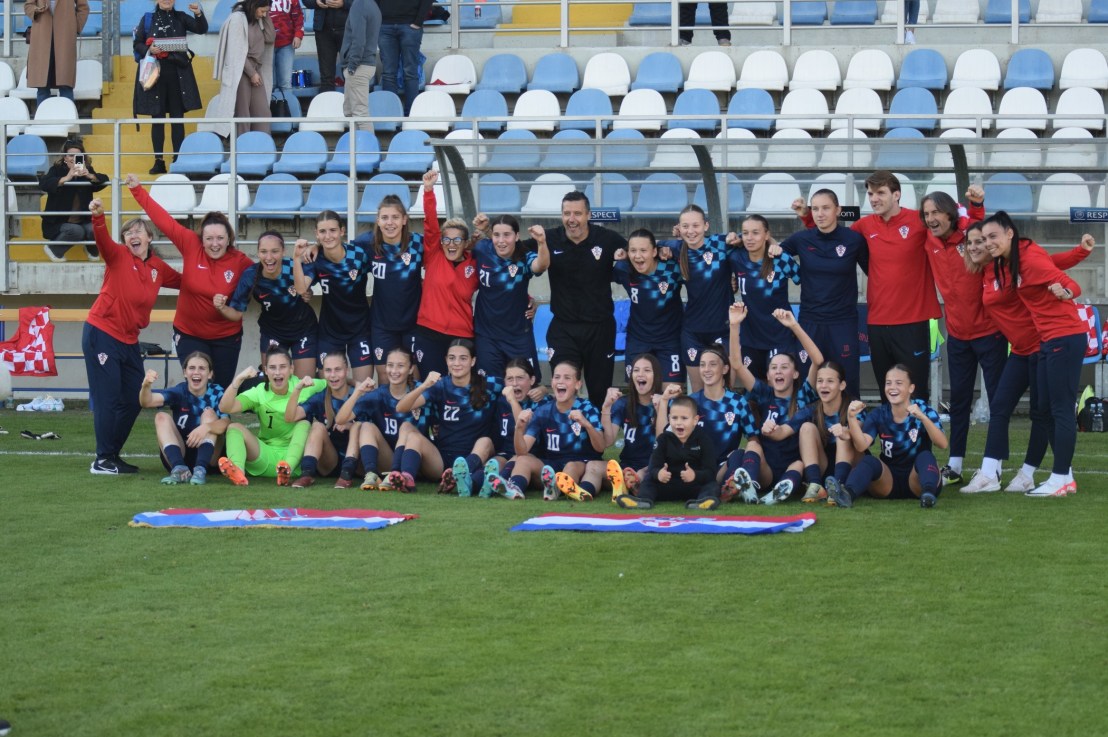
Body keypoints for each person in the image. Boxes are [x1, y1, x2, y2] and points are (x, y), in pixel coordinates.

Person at [960, 224, 1093, 494]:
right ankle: (990, 474)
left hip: (1042, 343)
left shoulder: (1014, 265)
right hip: (1020, 349)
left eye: (983, 241)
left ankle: (1038, 473)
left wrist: (1080, 253)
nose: (977, 246)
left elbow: (1050, 263)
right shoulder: (987, 273)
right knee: (1000, 406)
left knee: (1043, 412)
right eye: (972, 242)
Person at [795, 171, 937, 400]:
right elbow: (832, 238)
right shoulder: (863, 226)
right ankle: (890, 437)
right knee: (887, 392)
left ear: (897, 194)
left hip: (913, 321)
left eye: (880, 193)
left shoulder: (919, 221)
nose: (873, 198)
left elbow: (951, 229)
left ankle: (919, 437)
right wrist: (809, 219)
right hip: (877, 322)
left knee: (916, 391)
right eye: (870, 193)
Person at [127, 173, 253, 390]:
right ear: (201, 239)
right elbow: (163, 220)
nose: (215, 244)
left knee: (219, 393)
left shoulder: (241, 262)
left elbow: (268, 272)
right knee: (197, 388)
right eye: (209, 238)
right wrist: (137, 190)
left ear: (229, 239)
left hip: (227, 337)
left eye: (220, 239)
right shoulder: (190, 244)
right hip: (189, 334)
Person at [84, 197, 182, 475]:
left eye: (139, 231)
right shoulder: (118, 256)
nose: (133, 235)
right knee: (108, 397)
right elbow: (102, 240)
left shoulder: (157, 268)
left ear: (150, 237)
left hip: (129, 340)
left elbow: (187, 283)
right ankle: (103, 459)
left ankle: (111, 454)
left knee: (134, 397)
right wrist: (98, 216)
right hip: (101, 332)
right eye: (128, 232)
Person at [919, 187, 999, 486]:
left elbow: (980, 225)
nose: (931, 219)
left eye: (936, 213)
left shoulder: (970, 234)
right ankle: (954, 464)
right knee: (960, 400)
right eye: (926, 214)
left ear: (950, 213)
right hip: (958, 335)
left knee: (998, 402)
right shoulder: (927, 238)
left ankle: (994, 467)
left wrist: (977, 204)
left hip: (990, 332)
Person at [521, 191, 627, 405]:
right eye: (566, 213)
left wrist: (631, 254)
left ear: (588, 215)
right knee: (564, 389)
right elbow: (512, 252)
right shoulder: (550, 238)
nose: (572, 219)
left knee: (599, 394)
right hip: (564, 328)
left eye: (577, 213)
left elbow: (640, 253)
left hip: (600, 328)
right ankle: (566, 435)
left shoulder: (607, 239)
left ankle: (597, 436)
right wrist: (525, 297)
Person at [727, 304, 824, 505]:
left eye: (784, 367)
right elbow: (736, 364)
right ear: (769, 377)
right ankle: (751, 488)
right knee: (752, 444)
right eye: (774, 368)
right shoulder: (764, 393)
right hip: (767, 469)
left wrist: (794, 325)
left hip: (795, 463)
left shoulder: (804, 395)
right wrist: (735, 326)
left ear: (796, 373)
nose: (778, 371)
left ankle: (779, 492)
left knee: (797, 464)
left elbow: (818, 360)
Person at [781, 189, 868, 398]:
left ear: (837, 210)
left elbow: (874, 271)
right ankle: (808, 428)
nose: (820, 213)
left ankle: (849, 428)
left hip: (843, 322)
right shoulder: (801, 239)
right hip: (810, 321)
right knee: (808, 382)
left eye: (826, 208)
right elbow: (768, 253)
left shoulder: (853, 240)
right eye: (816, 208)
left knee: (846, 381)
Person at [828, 365, 947, 508]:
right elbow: (861, 445)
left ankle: (928, 495)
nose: (892, 387)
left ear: (911, 388)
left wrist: (923, 418)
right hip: (887, 480)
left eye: (899, 383)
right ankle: (847, 494)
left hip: (916, 479)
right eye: (888, 383)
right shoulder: (879, 413)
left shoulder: (925, 410)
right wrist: (851, 418)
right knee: (870, 461)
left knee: (926, 456)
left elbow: (942, 444)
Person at [393, 339, 502, 496]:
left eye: (463, 358)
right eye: (452, 358)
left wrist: (539, 389)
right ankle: (406, 479)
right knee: (413, 436)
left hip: (474, 457)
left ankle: (460, 475)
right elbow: (401, 407)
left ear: (473, 361)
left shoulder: (490, 384)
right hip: (440, 460)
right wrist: (424, 385)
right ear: (446, 360)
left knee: (485, 442)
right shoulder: (440, 385)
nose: (456, 363)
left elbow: (518, 386)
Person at [217, 230, 318, 380]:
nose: (269, 257)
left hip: (304, 330)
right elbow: (237, 314)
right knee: (273, 383)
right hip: (273, 332)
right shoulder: (251, 275)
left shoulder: (297, 266)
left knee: (305, 386)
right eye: (263, 251)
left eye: (275, 251)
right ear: (258, 252)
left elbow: (304, 287)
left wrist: (308, 290)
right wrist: (222, 307)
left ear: (283, 251)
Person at [217, 348, 323, 485]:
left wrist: (353, 383)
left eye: (282, 367)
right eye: (272, 367)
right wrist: (238, 380)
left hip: (296, 462)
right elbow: (225, 407)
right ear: (266, 370)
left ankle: (286, 469)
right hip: (264, 457)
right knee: (234, 427)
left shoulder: (304, 385)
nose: (277, 372)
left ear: (291, 369)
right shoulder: (259, 392)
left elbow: (334, 384)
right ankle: (238, 472)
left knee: (304, 424)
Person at [293, 210, 374, 382]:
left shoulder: (359, 254)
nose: (328, 236)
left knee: (363, 388)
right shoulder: (315, 259)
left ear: (342, 231)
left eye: (333, 230)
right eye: (322, 231)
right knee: (328, 390)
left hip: (360, 330)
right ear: (316, 234)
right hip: (330, 333)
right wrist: (296, 259)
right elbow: (301, 289)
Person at [663, 204, 736, 393]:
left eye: (695, 226)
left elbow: (752, 239)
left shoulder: (721, 244)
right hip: (692, 332)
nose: (691, 231)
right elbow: (649, 246)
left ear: (706, 226)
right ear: (678, 228)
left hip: (723, 329)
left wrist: (736, 237)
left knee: (724, 388)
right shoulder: (676, 248)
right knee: (697, 389)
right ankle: (698, 423)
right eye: (685, 226)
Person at [411, 170, 477, 379]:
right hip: (429, 333)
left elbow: (495, 282)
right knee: (430, 387)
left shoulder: (474, 263)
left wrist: (528, 300)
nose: (451, 244)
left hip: (461, 336)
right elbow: (430, 225)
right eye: (446, 240)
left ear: (466, 244)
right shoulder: (434, 256)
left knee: (460, 389)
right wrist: (428, 191)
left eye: (457, 240)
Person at [353, 194, 424, 385]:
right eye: (384, 218)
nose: (389, 223)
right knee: (385, 375)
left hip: (414, 323)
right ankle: (387, 414)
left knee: (413, 374)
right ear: (378, 220)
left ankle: (412, 414)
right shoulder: (367, 244)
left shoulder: (417, 243)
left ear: (404, 220)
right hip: (382, 324)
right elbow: (338, 252)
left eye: (395, 217)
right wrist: (316, 248)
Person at [512, 360, 606, 502]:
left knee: (571, 465)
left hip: (580, 462)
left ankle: (559, 489)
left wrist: (587, 424)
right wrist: (519, 428)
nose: (560, 381)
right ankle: (514, 488)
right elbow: (522, 451)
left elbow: (600, 448)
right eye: (557, 377)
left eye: (567, 378)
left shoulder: (586, 407)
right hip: (551, 465)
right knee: (523, 459)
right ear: (552, 382)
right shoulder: (543, 410)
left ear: (577, 384)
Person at [132, 0, 207, 174]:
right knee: (157, 119)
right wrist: (150, 49)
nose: (167, 0)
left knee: (177, 118)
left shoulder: (181, 17)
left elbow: (201, 28)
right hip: (154, 75)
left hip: (178, 76)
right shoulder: (148, 18)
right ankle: (158, 160)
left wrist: (198, 13)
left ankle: (177, 158)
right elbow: (138, 44)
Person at [470, 215, 549, 379]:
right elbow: (463, 251)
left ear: (517, 236)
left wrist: (541, 242)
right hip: (487, 335)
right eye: (496, 235)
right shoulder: (482, 249)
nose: (501, 240)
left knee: (527, 386)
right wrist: (481, 230)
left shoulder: (525, 257)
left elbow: (541, 265)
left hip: (518, 336)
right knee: (489, 387)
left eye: (507, 235)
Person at [335, 346, 423, 490]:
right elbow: (340, 419)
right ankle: (371, 474)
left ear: (411, 369)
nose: (394, 371)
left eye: (400, 366)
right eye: (390, 365)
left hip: (420, 460)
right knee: (366, 426)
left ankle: (401, 473)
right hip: (390, 461)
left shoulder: (422, 391)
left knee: (407, 427)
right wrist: (358, 392)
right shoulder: (378, 395)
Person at [727, 214, 801, 380]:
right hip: (750, 337)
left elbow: (802, 279)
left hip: (779, 337)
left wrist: (776, 245)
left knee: (779, 389)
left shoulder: (781, 260)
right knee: (755, 392)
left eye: (755, 233)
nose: (749, 238)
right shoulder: (735, 258)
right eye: (745, 233)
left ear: (767, 234)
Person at [617, 395, 721, 510]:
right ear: (669, 418)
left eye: (684, 418)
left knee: (712, 485)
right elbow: (653, 467)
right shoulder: (663, 439)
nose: (678, 423)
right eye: (674, 418)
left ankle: (703, 503)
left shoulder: (703, 439)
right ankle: (643, 501)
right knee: (648, 482)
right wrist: (659, 474)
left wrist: (695, 475)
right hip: (667, 484)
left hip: (693, 486)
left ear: (695, 420)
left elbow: (711, 471)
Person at [138, 353, 228, 485]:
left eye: (202, 368)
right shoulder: (179, 391)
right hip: (181, 454)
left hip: (210, 459)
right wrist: (145, 385)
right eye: (192, 368)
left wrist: (206, 428)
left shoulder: (217, 392)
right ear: (185, 373)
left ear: (210, 374)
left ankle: (200, 469)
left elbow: (227, 423)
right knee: (161, 416)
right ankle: (179, 469)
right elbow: (147, 402)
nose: (196, 372)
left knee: (209, 414)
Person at [679, 346, 758, 495]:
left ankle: (731, 487)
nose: (706, 369)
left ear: (725, 369)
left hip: (724, 469)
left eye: (712, 364)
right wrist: (663, 402)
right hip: (696, 470)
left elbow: (753, 439)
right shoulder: (690, 402)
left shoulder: (737, 402)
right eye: (702, 365)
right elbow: (669, 436)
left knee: (739, 454)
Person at [612, 229, 685, 383]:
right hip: (638, 339)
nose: (637, 256)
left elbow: (692, 250)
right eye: (633, 250)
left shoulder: (673, 268)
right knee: (638, 392)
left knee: (671, 393)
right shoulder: (623, 268)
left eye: (643, 250)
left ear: (654, 252)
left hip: (670, 339)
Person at [284, 353, 360, 488]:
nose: (333, 375)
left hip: (358, 465)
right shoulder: (320, 397)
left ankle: (346, 474)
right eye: (328, 370)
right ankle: (307, 473)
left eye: (338, 369)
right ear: (323, 373)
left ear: (346, 370)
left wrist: (351, 425)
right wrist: (298, 389)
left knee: (358, 426)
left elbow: (373, 431)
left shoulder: (359, 394)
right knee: (317, 426)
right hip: (329, 463)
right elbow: (290, 417)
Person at [790, 361, 859, 503]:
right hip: (824, 466)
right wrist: (772, 429)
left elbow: (861, 436)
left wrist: (846, 431)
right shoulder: (812, 409)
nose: (824, 385)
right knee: (806, 427)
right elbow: (785, 429)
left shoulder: (854, 407)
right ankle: (815, 486)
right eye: (820, 381)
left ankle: (839, 487)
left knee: (843, 433)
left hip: (852, 467)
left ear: (842, 385)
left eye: (830, 381)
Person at [484, 357, 550, 499]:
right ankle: (474, 483)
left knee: (518, 458)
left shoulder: (541, 403)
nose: (514, 384)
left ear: (532, 380)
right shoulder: (500, 399)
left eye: (520, 378)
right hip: (505, 453)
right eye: (510, 379)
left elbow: (524, 429)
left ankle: (502, 484)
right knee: (494, 463)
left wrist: (513, 401)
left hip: (531, 456)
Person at [601, 353, 665, 499]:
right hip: (627, 466)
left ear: (656, 375)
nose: (640, 374)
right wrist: (606, 407)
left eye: (647, 370)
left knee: (654, 473)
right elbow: (608, 441)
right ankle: (628, 483)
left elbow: (663, 441)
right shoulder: (623, 403)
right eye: (636, 370)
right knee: (593, 467)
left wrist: (661, 408)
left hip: (655, 466)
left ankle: (633, 482)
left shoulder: (667, 403)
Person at [212, 0, 275, 138]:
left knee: (263, 112)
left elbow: (270, 37)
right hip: (240, 72)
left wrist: (266, 14)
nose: (264, 14)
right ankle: (242, 150)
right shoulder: (237, 19)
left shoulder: (258, 18)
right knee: (243, 114)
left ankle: (262, 147)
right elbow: (236, 52)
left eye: (266, 11)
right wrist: (252, 73)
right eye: (262, 11)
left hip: (256, 69)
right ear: (254, 6)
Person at [38, 139, 108, 262]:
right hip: (59, 222)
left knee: (94, 227)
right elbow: (44, 184)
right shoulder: (56, 169)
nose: (74, 158)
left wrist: (90, 176)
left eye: (78, 155)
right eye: (70, 155)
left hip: (83, 220)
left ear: (83, 157)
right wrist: (66, 178)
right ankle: (53, 248)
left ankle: (91, 249)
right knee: (77, 231)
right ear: (65, 157)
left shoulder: (87, 170)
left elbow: (104, 180)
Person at [23, 0, 87, 104]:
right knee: (42, 86)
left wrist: (75, 26)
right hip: (42, 40)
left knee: (65, 85)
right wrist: (37, 11)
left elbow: (83, 7)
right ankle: (42, 118)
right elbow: (28, 5)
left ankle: (68, 118)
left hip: (64, 39)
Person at [377, 0, 433, 115]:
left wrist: (418, 21)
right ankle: (391, 117)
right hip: (385, 25)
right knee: (388, 73)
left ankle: (412, 115)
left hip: (410, 25)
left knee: (410, 72)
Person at [339, 0, 380, 133]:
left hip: (358, 67)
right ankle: (358, 150)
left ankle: (368, 152)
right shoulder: (372, 4)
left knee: (359, 114)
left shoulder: (360, 4)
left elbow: (358, 39)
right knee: (351, 112)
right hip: (363, 65)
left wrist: (352, 66)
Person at [303, 0, 348, 94]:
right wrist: (316, 2)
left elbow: (362, 2)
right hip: (323, 30)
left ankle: (352, 107)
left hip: (348, 29)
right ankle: (327, 107)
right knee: (326, 77)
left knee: (350, 74)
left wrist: (344, 3)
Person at [269, 0, 304, 94]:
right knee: (269, 83)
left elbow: (299, 16)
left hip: (286, 44)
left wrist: (298, 35)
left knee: (285, 83)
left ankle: (286, 108)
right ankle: (268, 108)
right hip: (266, 44)